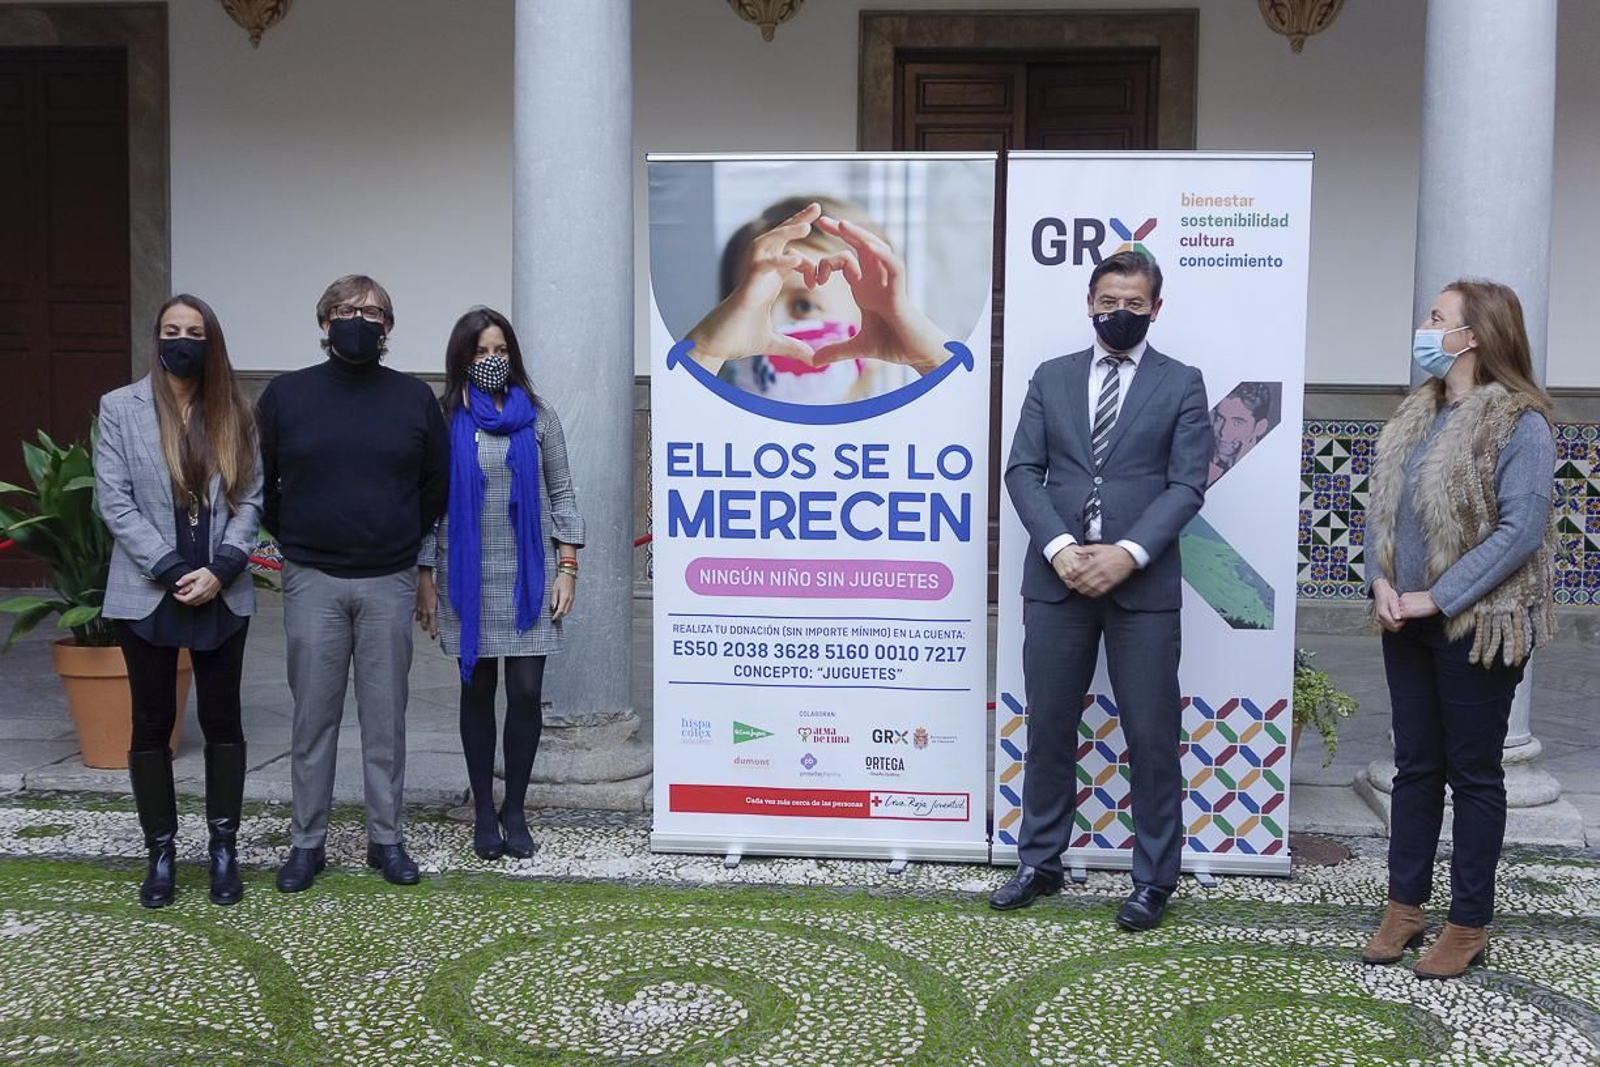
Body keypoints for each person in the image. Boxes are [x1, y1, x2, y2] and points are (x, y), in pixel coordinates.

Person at [995, 250, 1210, 929]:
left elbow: (1187, 485)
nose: (1121, 313)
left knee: (1149, 732)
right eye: (1109, 300)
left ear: (1156, 309)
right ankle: (1040, 859)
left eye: (1136, 303)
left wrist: (1128, 553)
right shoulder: (1050, 377)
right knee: (1050, 724)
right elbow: (1023, 471)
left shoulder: (1182, 384)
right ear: (1089, 302)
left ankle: (1153, 878)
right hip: (1056, 582)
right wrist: (1061, 548)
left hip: (1141, 586)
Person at [1361, 279, 1556, 980]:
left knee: (1473, 774)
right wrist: (1380, 582)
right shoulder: (1415, 415)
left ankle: (1468, 922)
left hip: (1479, 624)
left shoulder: (1519, 422)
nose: (1424, 324)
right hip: (1402, 618)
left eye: (1437, 317)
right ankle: (1404, 906)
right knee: (1415, 767)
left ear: (1473, 337)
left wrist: (1434, 598)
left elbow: (1520, 530)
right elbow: (1379, 512)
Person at [257, 275, 449, 892]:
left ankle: (385, 838)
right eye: (344, 310)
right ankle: (306, 843)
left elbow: (434, 486)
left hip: (388, 579)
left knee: (385, 717)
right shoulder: (286, 397)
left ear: (388, 328)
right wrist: (301, 541)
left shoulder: (413, 399)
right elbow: (262, 485)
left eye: (370, 312)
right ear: (323, 323)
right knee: (313, 718)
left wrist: (397, 539)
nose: (357, 320)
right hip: (311, 577)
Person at [96, 294, 263, 908]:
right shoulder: (119, 408)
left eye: (194, 331)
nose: (183, 339)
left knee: (223, 720)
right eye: (172, 330)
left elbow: (253, 499)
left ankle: (224, 849)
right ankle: (160, 852)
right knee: (151, 721)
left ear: (210, 340)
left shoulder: (236, 412)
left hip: (222, 590)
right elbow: (113, 501)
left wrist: (221, 570)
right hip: (148, 591)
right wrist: (170, 570)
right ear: (157, 337)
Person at [416, 307, 585, 860]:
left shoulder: (539, 416)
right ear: (462, 358)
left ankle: (515, 808)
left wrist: (568, 568)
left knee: (527, 693)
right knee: (477, 690)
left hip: (529, 576)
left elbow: (562, 493)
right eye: (481, 351)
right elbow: (428, 507)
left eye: (500, 350)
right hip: (465, 574)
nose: (492, 360)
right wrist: (424, 579)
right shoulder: (443, 419)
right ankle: (484, 813)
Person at [685, 197, 950, 403]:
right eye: (751, 306)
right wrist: (706, 352)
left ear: (878, 323)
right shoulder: (710, 430)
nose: (773, 325)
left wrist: (932, 362)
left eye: (804, 305)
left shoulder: (903, 437)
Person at [1207, 381, 1274, 486]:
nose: (1223, 432)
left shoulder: (1269, 471)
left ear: (1260, 428)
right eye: (1220, 418)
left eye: (1237, 422)